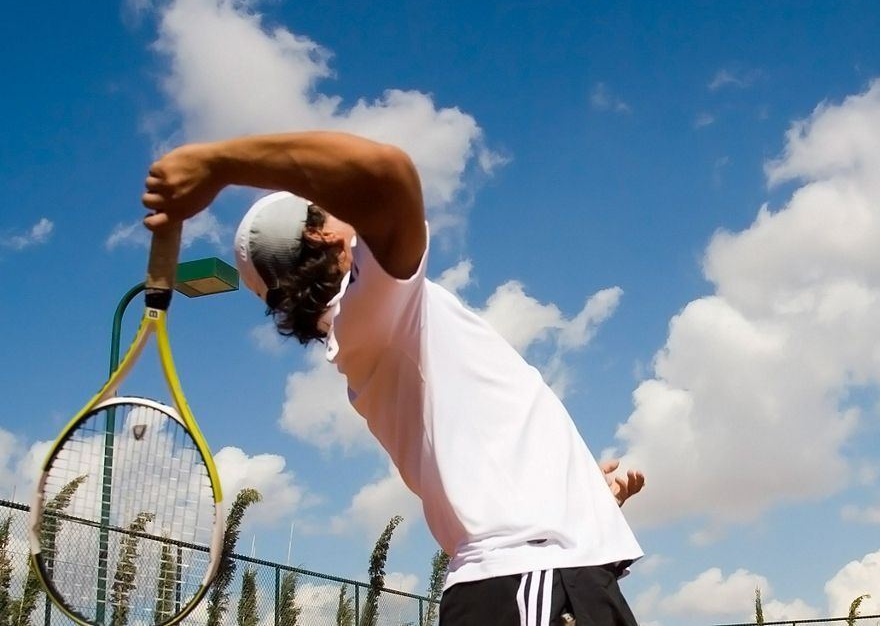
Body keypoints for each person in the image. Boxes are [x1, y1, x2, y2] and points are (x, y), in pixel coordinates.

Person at [142, 131, 646, 626]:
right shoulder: (375, 309)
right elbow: (388, 173)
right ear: (321, 234)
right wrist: (219, 165)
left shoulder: (375, 329)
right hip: (531, 579)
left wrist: (579, 500)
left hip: (538, 577)